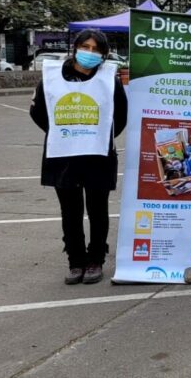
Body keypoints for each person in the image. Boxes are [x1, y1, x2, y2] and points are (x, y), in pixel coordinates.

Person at [29, 29, 127, 285]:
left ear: (104, 55)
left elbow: (121, 116)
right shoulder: (52, 78)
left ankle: (95, 260)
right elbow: (39, 112)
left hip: (98, 155)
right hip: (63, 155)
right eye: (86, 47)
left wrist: (95, 135)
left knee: (98, 210)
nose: (90, 53)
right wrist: (66, 133)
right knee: (70, 211)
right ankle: (75, 261)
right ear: (75, 48)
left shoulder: (109, 80)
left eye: (97, 50)